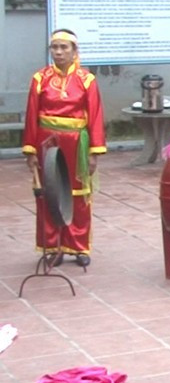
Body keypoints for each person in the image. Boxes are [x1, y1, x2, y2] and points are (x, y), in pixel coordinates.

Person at [22, 29, 107, 267]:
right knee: (50, 192)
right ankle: (53, 245)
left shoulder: (86, 80)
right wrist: (30, 151)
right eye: (55, 48)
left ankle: (78, 246)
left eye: (64, 48)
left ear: (74, 51)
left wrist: (94, 152)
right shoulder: (40, 79)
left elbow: (96, 116)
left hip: (76, 143)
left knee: (78, 194)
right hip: (46, 141)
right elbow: (31, 116)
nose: (58, 52)